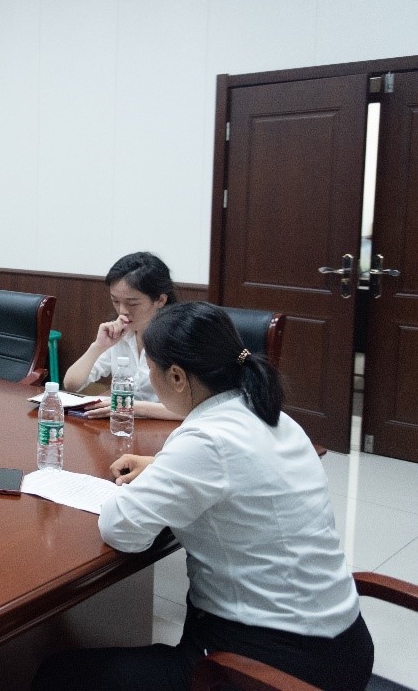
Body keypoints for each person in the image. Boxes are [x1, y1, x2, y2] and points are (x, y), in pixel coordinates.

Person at [31, 302, 373, 691]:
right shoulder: (271, 414)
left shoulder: (205, 440)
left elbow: (121, 530)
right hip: (342, 646)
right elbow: (236, 470)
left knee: (57, 675)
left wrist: (158, 474)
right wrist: (163, 466)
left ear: (177, 377)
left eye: (151, 369)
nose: (149, 377)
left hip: (267, 666)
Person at [63, 252, 179, 420]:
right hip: (123, 425)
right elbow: (72, 384)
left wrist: (132, 407)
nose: (123, 311)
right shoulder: (120, 334)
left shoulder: (180, 338)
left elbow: (190, 409)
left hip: (166, 430)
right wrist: (98, 346)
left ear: (160, 300)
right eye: (115, 301)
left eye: (132, 303)